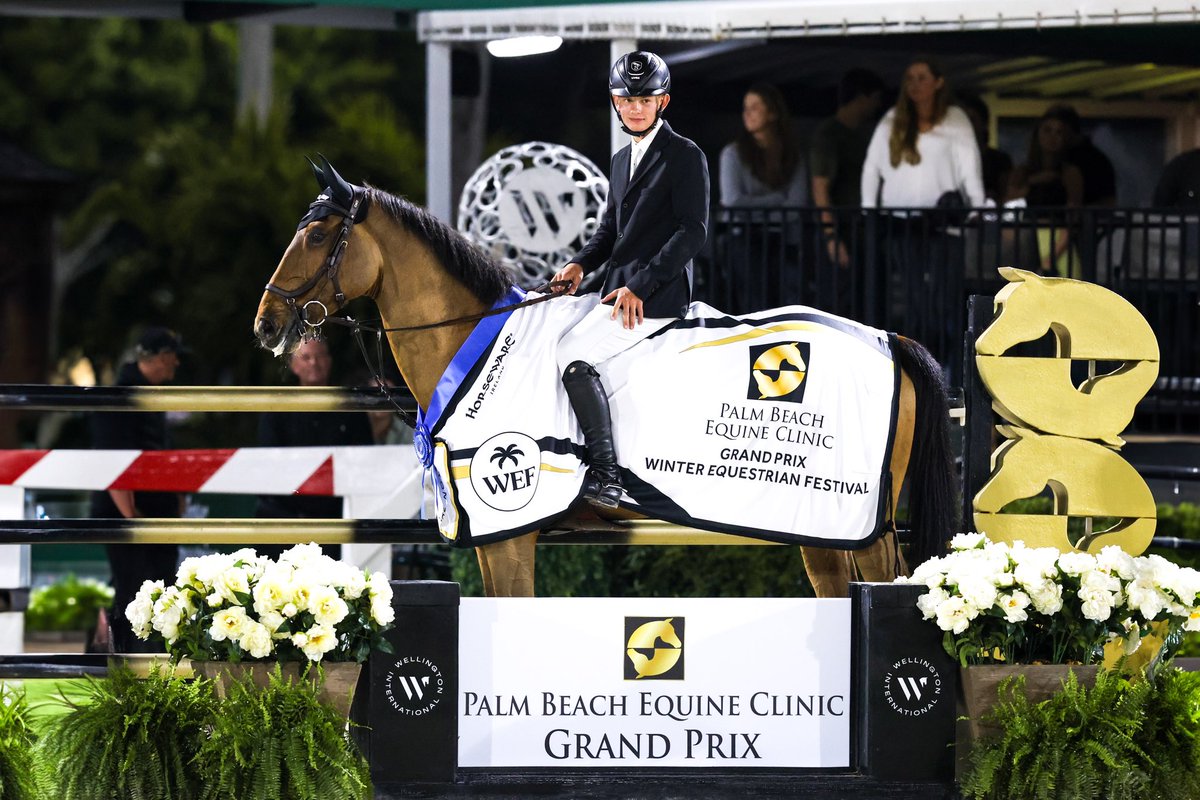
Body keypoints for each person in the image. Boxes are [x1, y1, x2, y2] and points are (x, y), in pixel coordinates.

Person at [551, 50, 709, 509]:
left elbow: (693, 231)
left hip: (656, 294)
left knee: (572, 354)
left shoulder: (685, 155)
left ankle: (607, 476)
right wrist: (579, 264)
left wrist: (642, 284)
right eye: (627, 99)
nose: (636, 108)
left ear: (663, 101)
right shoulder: (621, 159)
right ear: (615, 102)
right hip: (615, 290)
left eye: (645, 100)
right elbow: (610, 231)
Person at [90, 325, 187, 653]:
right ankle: (131, 660)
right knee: (137, 591)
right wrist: (132, 517)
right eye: (172, 357)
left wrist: (174, 496)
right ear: (160, 357)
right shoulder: (123, 396)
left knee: (146, 589)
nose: (176, 364)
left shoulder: (147, 393)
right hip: (132, 513)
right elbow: (113, 462)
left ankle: (132, 661)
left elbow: (159, 453)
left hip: (145, 511)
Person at [255, 337, 373, 559]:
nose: (314, 363)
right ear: (293, 365)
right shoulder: (276, 409)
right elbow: (266, 467)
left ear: (329, 360)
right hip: (284, 520)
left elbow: (365, 463)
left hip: (336, 521)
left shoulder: (351, 408)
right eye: (306, 357)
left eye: (319, 356)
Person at [718, 83, 806, 311]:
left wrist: (758, 210)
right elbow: (733, 201)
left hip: (783, 239)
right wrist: (777, 199)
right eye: (745, 107)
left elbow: (796, 204)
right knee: (752, 302)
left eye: (755, 107)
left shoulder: (792, 155)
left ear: (773, 113)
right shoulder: (733, 153)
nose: (747, 113)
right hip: (744, 239)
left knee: (787, 302)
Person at [860, 57, 984, 210]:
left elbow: (970, 167)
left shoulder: (954, 117)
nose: (915, 84)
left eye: (921, 78)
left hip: (941, 216)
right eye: (910, 79)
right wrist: (868, 209)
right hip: (897, 217)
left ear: (938, 83)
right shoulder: (892, 118)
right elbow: (871, 167)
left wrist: (977, 208)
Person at [1008, 106, 1084, 277]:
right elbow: (1008, 203)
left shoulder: (1070, 173)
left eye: (1059, 132)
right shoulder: (1022, 172)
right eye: (1047, 130)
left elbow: (1073, 216)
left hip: (1059, 244)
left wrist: (1052, 257)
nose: (1052, 137)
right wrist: (1034, 182)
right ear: (1038, 134)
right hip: (1025, 241)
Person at [1052, 104, 1117, 207]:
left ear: (1068, 128)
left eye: (1058, 131)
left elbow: (1108, 201)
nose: (1053, 136)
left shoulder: (1092, 160)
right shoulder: (1096, 158)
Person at [957, 91, 1013, 206]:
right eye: (961, 120)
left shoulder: (1000, 160)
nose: (966, 126)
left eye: (971, 120)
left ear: (984, 124)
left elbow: (1005, 197)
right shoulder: (948, 160)